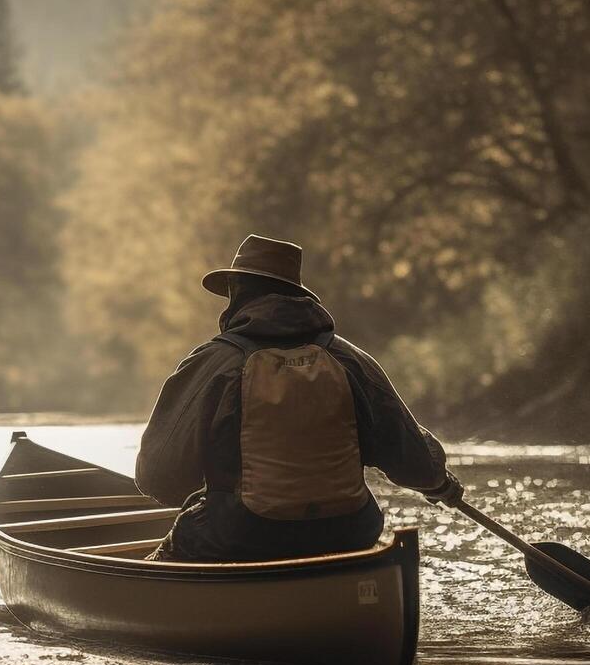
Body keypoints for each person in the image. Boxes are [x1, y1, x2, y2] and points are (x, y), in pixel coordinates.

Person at [136, 234, 465, 562]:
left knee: (186, 533)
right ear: (297, 295)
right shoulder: (351, 360)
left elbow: (158, 477)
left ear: (238, 294)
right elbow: (415, 460)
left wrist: (212, 492)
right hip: (350, 532)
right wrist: (438, 483)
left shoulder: (215, 363)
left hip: (242, 536)